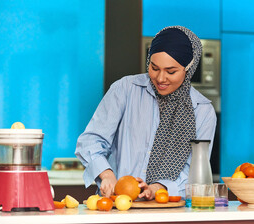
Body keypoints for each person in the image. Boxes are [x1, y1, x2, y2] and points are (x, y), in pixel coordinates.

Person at [75, 26, 217, 200]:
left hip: (168, 210)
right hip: (116, 206)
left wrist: (158, 188)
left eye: (171, 71)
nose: (160, 78)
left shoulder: (202, 110)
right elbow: (90, 141)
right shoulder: (125, 89)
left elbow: (195, 170)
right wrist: (106, 174)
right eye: (154, 68)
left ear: (189, 68)